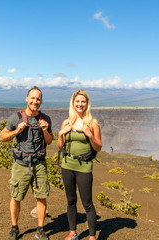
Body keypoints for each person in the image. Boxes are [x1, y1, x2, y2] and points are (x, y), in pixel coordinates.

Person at [0, 86, 54, 240]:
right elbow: (2, 137)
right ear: (26, 99)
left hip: (39, 164)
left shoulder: (46, 118)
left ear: (41, 101)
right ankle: (14, 228)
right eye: (32, 98)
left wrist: (45, 130)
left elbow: (49, 141)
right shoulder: (16, 117)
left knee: (41, 196)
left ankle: (41, 229)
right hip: (21, 164)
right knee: (16, 197)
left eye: (38, 99)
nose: (35, 101)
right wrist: (17, 131)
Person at [57, 89, 102, 240]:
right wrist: (60, 134)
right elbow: (59, 147)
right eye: (77, 101)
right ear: (73, 103)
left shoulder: (92, 122)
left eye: (83, 101)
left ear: (87, 104)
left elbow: (98, 147)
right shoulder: (66, 122)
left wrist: (89, 134)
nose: (80, 104)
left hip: (84, 166)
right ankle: (73, 233)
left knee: (87, 202)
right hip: (67, 165)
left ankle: (91, 236)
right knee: (70, 200)